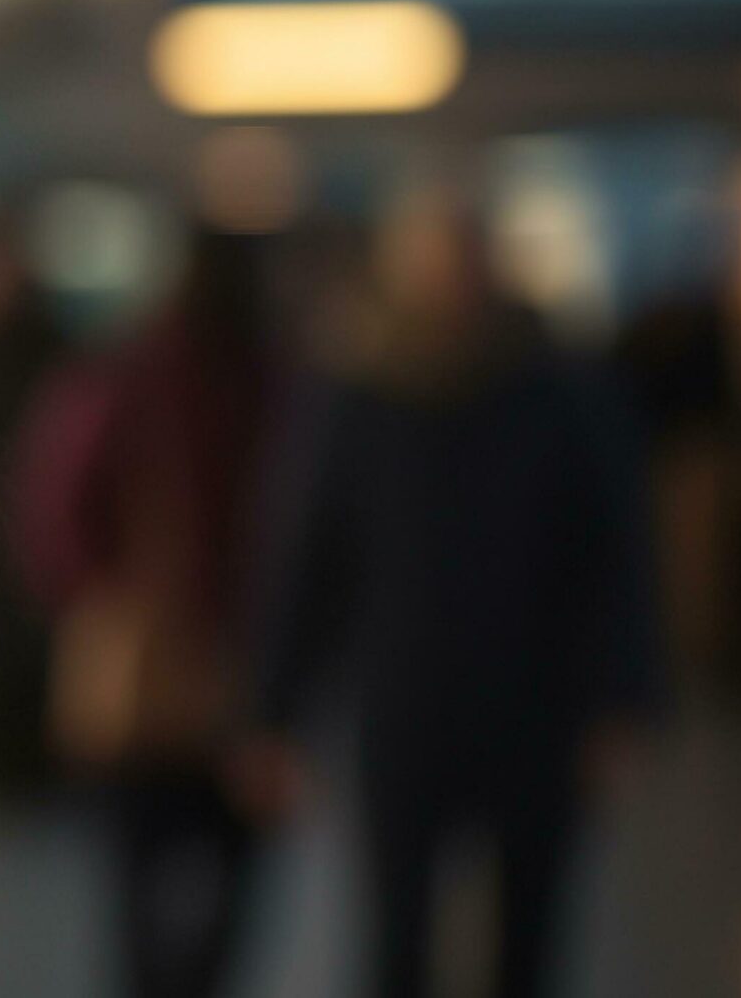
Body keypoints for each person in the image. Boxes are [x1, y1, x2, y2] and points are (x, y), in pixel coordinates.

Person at [244, 188, 663, 998]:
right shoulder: (361, 395)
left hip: (538, 706)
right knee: (397, 941)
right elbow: (307, 563)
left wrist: (622, 700)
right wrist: (272, 714)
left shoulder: (559, 389)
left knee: (529, 939)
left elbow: (615, 553)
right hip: (404, 707)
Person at [1, 227, 275, 998]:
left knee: (138, 889)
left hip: (147, 674)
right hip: (236, 668)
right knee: (226, 882)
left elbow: (51, 510)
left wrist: (95, 599)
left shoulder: (119, 373)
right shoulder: (274, 381)